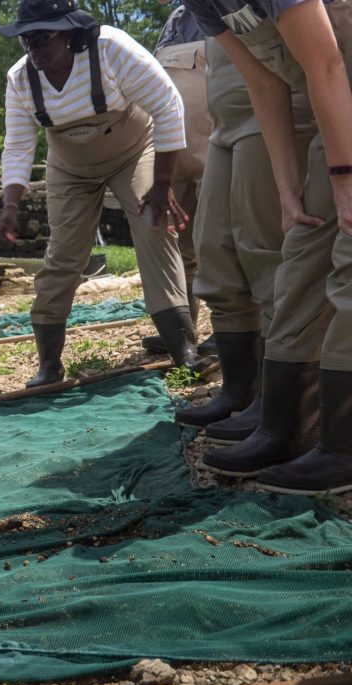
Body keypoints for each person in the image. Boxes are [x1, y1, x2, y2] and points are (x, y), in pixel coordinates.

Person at [183, 0, 352, 494]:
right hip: (334, 108)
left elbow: (325, 61)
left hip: (338, 82)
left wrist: (343, 176)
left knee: (349, 260)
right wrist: (287, 189)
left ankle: (344, 447)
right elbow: (264, 82)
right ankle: (288, 426)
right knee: (302, 255)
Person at [0, 0, 202, 391]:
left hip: (134, 150)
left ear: (69, 33)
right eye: (26, 40)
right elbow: (19, 146)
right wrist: (10, 204)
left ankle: (183, 348)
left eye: (43, 38)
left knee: (153, 226)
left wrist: (162, 184)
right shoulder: (20, 78)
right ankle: (49, 364)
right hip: (70, 167)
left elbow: (168, 105)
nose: (34, 49)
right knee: (64, 255)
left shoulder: (112, 49)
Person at [173, 13, 315, 438]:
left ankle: (282, 405)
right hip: (226, 124)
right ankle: (239, 390)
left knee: (266, 258)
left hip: (275, 111)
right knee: (214, 252)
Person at [145, 4, 212, 356]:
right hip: (172, 154)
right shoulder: (174, 19)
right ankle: (185, 329)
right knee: (177, 245)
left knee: (219, 238)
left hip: (213, 145)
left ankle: (234, 327)